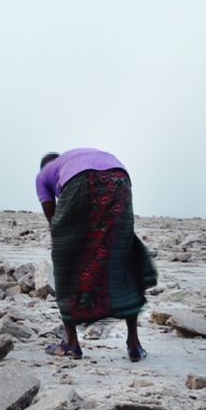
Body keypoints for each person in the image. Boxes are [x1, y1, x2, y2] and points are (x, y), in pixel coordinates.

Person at [36, 149, 157, 361]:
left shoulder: (44, 174)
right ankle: (134, 343)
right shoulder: (71, 159)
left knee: (66, 261)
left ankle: (72, 344)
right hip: (120, 178)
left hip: (80, 182)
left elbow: (54, 223)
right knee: (122, 254)